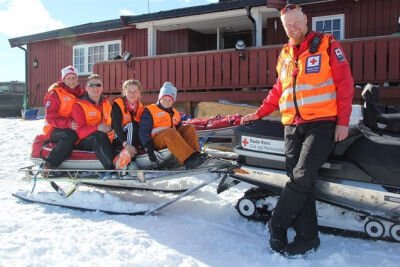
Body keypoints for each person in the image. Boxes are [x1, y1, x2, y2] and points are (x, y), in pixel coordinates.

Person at [240, 3, 354, 256]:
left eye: (296, 22)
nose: (293, 28)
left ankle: (276, 223)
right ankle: (308, 237)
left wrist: (343, 121)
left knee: (301, 176)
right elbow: (278, 91)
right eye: (288, 25)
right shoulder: (284, 54)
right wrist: (259, 113)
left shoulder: (327, 44)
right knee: (301, 182)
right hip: (292, 126)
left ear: (305, 20)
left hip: (322, 124)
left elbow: (344, 83)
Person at [139, 82, 207, 169]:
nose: (167, 102)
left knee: (188, 128)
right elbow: (143, 132)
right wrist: (149, 149)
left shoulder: (175, 113)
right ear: (160, 98)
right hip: (156, 140)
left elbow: (181, 130)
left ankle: (196, 155)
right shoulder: (150, 110)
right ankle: (188, 160)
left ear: (173, 101)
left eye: (170, 100)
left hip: (171, 137)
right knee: (170, 132)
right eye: (165, 99)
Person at [71, 74, 131, 170]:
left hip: (107, 136)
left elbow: (114, 124)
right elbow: (80, 133)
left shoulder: (107, 103)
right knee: (99, 136)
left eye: (98, 85)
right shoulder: (78, 106)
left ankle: (133, 158)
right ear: (87, 88)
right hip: (85, 140)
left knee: (129, 128)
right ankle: (114, 167)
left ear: (102, 87)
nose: (95, 88)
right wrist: (97, 128)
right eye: (92, 85)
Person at [42, 65, 84, 169]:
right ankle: (49, 164)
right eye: (68, 78)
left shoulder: (82, 93)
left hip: (77, 127)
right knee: (71, 134)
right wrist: (68, 124)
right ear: (63, 79)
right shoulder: (55, 93)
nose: (72, 81)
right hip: (54, 129)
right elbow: (50, 117)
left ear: (77, 79)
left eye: (74, 78)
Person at [111, 79, 145, 157]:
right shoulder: (117, 105)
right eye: (129, 91)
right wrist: (125, 144)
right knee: (132, 125)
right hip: (117, 137)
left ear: (139, 93)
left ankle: (141, 151)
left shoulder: (141, 107)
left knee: (137, 126)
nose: (132, 94)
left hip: (132, 134)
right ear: (124, 92)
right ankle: (129, 157)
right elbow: (116, 127)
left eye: (135, 91)